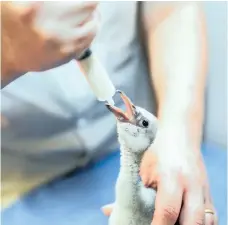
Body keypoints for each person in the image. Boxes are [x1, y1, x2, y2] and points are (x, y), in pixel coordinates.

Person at [1, 2, 217, 225]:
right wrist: (6, 54)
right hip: (21, 187)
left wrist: (178, 135)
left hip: (151, 154)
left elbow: (173, 9)